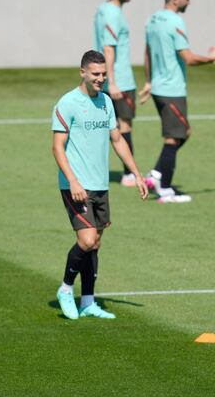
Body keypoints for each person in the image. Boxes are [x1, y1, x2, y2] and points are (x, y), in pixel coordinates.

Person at [52, 50, 148, 320]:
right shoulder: (68, 103)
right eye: (95, 74)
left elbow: (117, 139)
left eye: (104, 74)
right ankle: (66, 289)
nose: (101, 79)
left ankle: (88, 301)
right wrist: (72, 180)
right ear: (82, 72)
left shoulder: (106, 102)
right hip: (76, 186)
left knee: (96, 244)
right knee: (87, 239)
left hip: (100, 185)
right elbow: (57, 147)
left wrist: (137, 174)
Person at [139, 0, 215, 203]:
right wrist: (211, 59)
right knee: (175, 137)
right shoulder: (175, 21)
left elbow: (147, 53)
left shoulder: (152, 19)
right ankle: (164, 189)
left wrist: (148, 81)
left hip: (158, 87)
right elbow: (188, 57)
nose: (189, 2)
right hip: (171, 89)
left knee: (182, 133)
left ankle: (156, 175)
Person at [94, 0, 137, 187]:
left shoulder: (103, 10)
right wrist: (112, 83)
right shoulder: (111, 13)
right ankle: (129, 173)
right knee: (123, 125)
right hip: (119, 80)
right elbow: (108, 49)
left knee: (104, 126)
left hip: (113, 79)